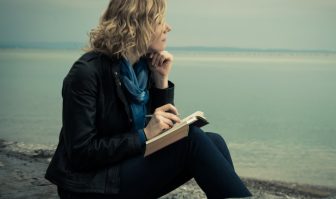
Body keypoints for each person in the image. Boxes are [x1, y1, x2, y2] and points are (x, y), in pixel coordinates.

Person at [45, 0, 252, 198]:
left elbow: (159, 130)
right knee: (192, 140)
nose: (168, 27)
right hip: (88, 185)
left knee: (214, 140)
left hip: (122, 167)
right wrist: (144, 134)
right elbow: (81, 153)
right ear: (138, 24)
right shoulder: (86, 73)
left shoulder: (141, 69)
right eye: (161, 20)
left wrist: (161, 80)